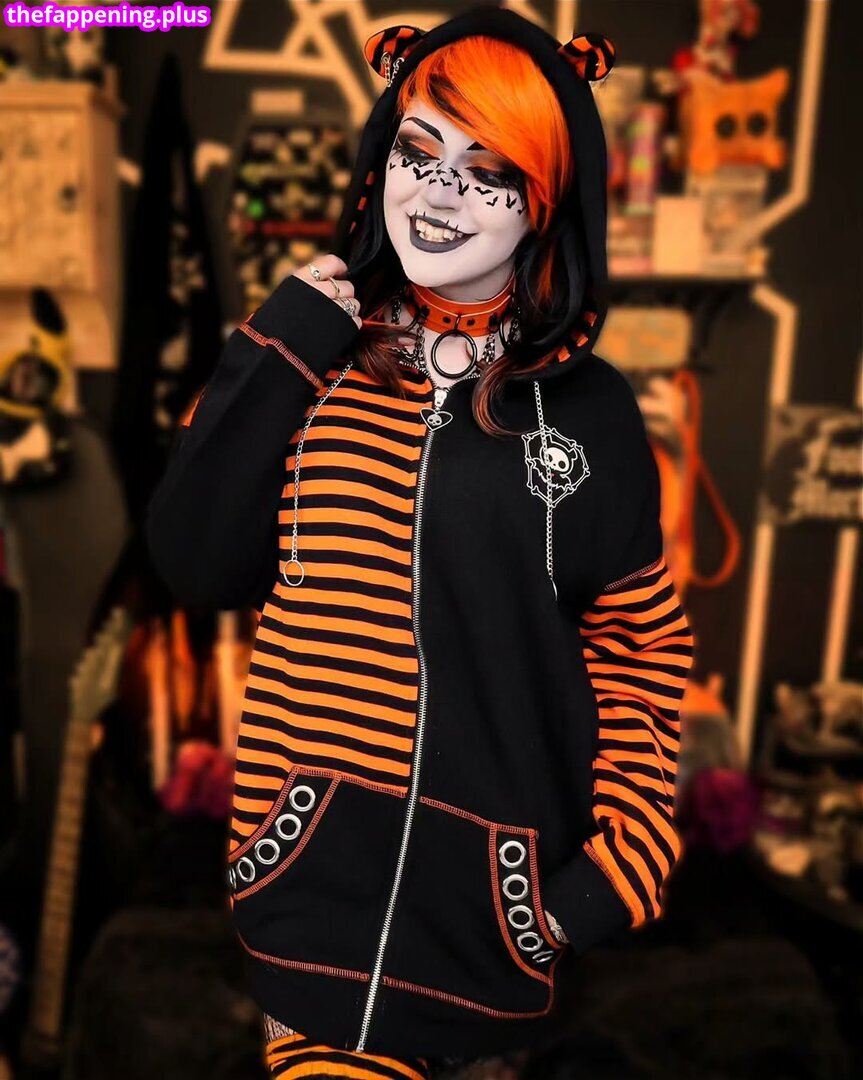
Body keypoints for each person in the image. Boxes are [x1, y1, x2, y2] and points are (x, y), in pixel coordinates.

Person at [145, 6, 696, 1078]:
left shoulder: (590, 416)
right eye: (417, 150)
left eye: (488, 172)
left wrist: (604, 875)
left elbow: (638, 648)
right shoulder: (309, 357)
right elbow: (191, 560)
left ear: (545, 201)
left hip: (496, 955)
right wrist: (278, 351)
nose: (438, 193)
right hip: (306, 924)